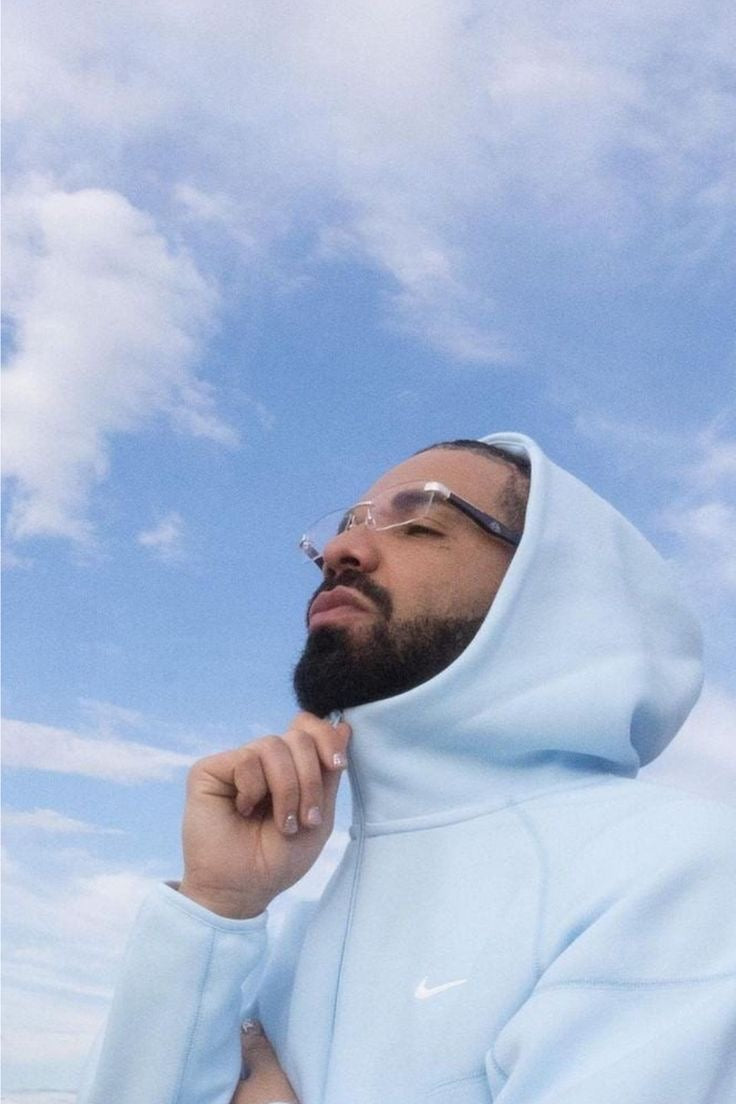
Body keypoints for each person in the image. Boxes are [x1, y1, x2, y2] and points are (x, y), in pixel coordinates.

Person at [78, 432, 736, 1104]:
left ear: (548, 587)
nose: (341, 550)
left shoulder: (677, 870)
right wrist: (216, 905)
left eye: (419, 523)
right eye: (342, 530)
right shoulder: (282, 939)